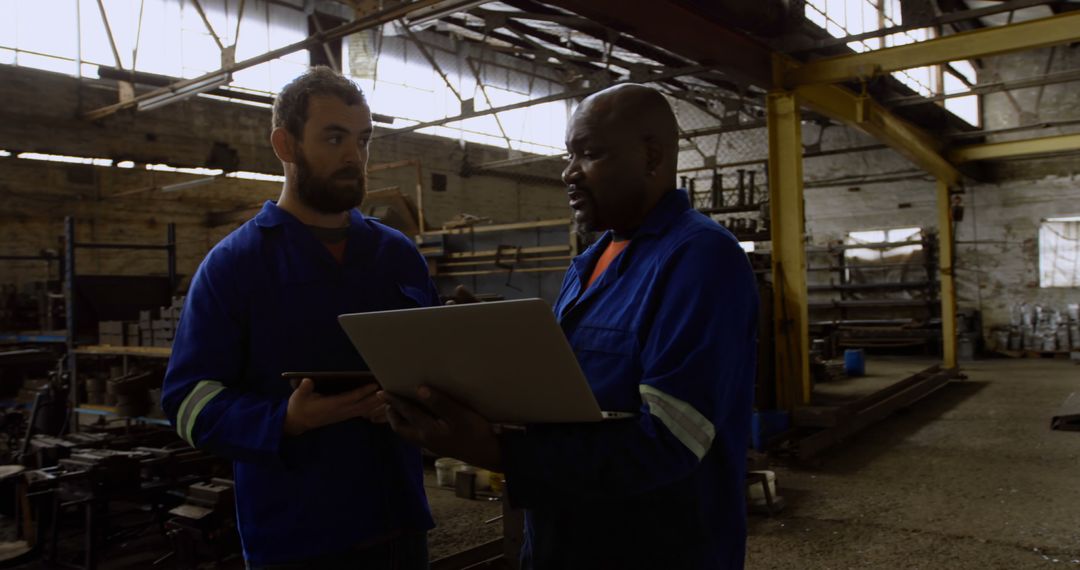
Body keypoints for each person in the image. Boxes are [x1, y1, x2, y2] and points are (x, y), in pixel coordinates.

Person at [380, 83, 759, 569]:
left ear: (651, 156)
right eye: (568, 154)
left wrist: (500, 452)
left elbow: (671, 440)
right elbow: (569, 398)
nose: (568, 173)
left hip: (655, 549)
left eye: (590, 153)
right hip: (561, 540)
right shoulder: (589, 265)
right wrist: (490, 364)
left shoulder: (701, 259)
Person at [162, 66, 435, 569]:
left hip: (396, 523)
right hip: (295, 536)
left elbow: (437, 365)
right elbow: (186, 400)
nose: (354, 155)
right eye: (334, 138)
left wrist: (415, 399)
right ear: (285, 145)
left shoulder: (397, 255)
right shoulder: (235, 265)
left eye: (363, 139)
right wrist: (282, 420)